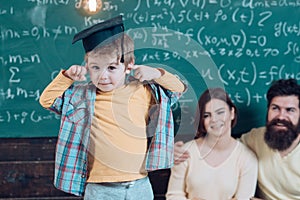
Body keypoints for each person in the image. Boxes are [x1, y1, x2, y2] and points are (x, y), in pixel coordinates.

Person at [39, 15, 186, 199]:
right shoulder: (81, 97)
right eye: (95, 68)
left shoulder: (142, 90)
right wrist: (66, 76)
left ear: (128, 66)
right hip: (99, 188)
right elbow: (47, 100)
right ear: (87, 66)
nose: (103, 76)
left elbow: (178, 89)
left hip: (139, 185)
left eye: (111, 68)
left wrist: (156, 73)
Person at [174, 79, 300, 200]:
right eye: (275, 108)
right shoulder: (255, 138)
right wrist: (173, 151)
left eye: (290, 110)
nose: (281, 116)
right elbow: (224, 145)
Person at [166, 88, 258, 200]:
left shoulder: (247, 158)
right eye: (206, 115)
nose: (214, 119)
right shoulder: (185, 152)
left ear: (232, 113)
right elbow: (174, 195)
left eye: (220, 112)